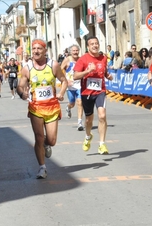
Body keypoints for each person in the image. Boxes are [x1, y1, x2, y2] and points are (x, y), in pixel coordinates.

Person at [17, 39, 68, 179]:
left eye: (39, 48)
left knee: (51, 140)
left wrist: (61, 93)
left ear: (45, 51)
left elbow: (64, 81)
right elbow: (20, 86)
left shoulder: (53, 65)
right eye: (34, 49)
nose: (36, 51)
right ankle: (42, 167)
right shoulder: (27, 68)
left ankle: (47, 144)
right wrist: (22, 93)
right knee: (38, 137)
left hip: (52, 107)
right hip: (36, 107)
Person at [73, 36, 113, 155]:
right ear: (88, 46)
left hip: (100, 91)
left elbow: (104, 71)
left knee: (102, 116)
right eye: (92, 44)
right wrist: (88, 71)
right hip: (86, 93)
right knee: (88, 120)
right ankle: (88, 136)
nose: (95, 45)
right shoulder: (83, 59)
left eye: (96, 43)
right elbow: (75, 76)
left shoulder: (104, 58)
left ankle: (102, 144)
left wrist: (108, 76)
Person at [60, 44, 84, 131]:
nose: (75, 52)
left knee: (80, 103)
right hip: (70, 86)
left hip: (79, 85)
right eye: (73, 51)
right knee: (72, 103)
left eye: (77, 50)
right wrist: (66, 80)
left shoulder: (81, 59)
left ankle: (79, 123)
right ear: (70, 52)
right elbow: (60, 71)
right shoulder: (67, 60)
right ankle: (68, 107)